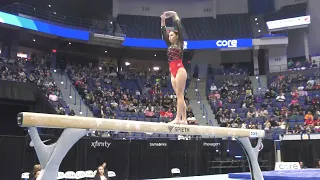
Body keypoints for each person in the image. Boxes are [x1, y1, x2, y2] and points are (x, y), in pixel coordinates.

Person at [161, 11, 188, 124]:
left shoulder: (180, 43)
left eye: (172, 35)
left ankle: (178, 118)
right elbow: (163, 31)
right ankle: (185, 119)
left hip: (180, 70)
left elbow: (179, 27)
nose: (169, 36)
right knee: (178, 95)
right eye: (169, 35)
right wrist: (163, 19)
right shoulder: (169, 44)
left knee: (180, 95)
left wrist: (174, 14)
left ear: (177, 36)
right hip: (172, 71)